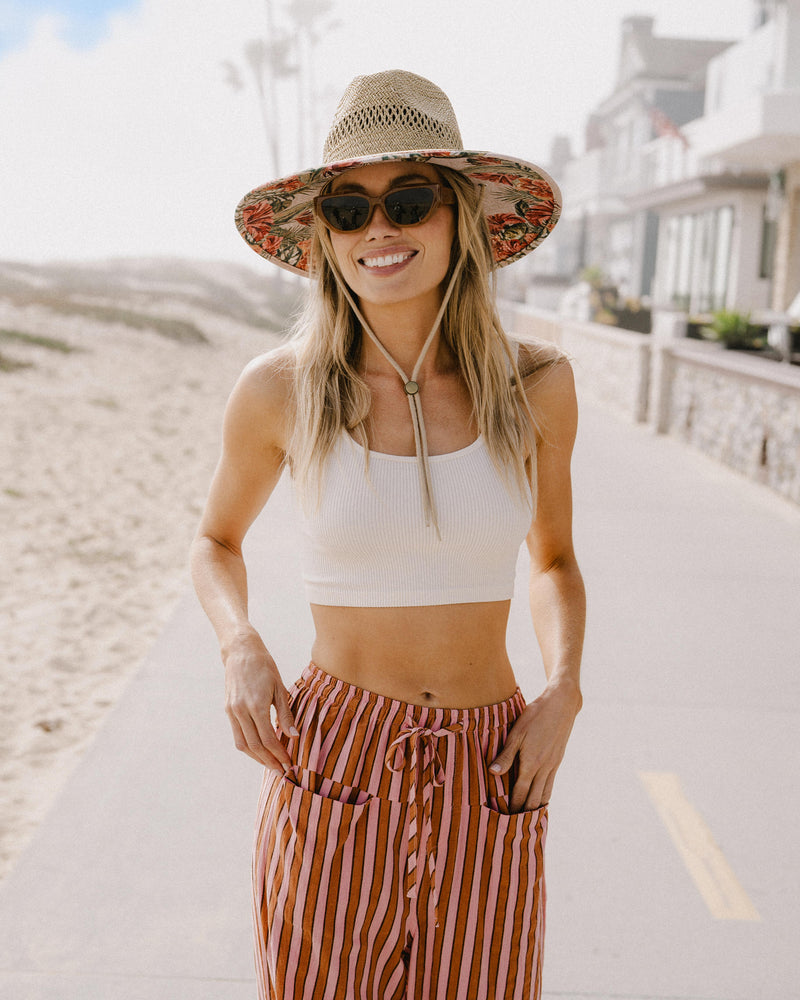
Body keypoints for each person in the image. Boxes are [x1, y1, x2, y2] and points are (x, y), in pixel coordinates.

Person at [191, 69, 585, 1000]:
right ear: (323, 236)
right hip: (334, 752)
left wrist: (564, 688)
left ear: (459, 219)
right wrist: (240, 644)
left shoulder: (538, 386)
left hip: (489, 760)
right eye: (349, 207)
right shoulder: (279, 389)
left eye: (408, 200)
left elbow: (556, 560)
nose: (381, 229)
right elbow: (214, 541)